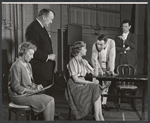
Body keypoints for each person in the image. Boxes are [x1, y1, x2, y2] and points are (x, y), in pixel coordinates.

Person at [8, 42, 55, 121]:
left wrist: (36, 86)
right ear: (23, 52)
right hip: (19, 96)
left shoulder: (28, 65)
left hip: (28, 94)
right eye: (30, 54)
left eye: (33, 54)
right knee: (47, 100)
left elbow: (29, 82)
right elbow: (16, 87)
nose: (32, 57)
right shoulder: (16, 66)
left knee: (51, 99)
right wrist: (32, 91)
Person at [65, 41, 111, 121]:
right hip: (75, 86)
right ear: (79, 50)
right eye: (84, 48)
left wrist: (96, 63)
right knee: (96, 87)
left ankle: (99, 116)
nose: (86, 50)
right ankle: (98, 117)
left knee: (96, 88)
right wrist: (90, 83)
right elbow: (75, 79)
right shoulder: (72, 62)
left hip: (82, 83)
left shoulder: (84, 61)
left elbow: (94, 74)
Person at [25, 8, 56, 95]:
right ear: (43, 17)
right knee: (39, 97)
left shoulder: (41, 28)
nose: (51, 22)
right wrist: (47, 57)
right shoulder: (33, 28)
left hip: (44, 70)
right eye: (50, 19)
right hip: (39, 70)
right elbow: (31, 48)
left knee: (43, 96)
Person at [91, 34, 116, 111]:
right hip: (97, 66)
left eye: (101, 44)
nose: (98, 46)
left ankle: (103, 104)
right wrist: (99, 70)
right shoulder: (94, 45)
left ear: (106, 43)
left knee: (106, 86)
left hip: (107, 66)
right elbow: (93, 59)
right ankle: (94, 105)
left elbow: (112, 57)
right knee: (95, 85)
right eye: (98, 44)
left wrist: (111, 70)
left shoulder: (111, 43)